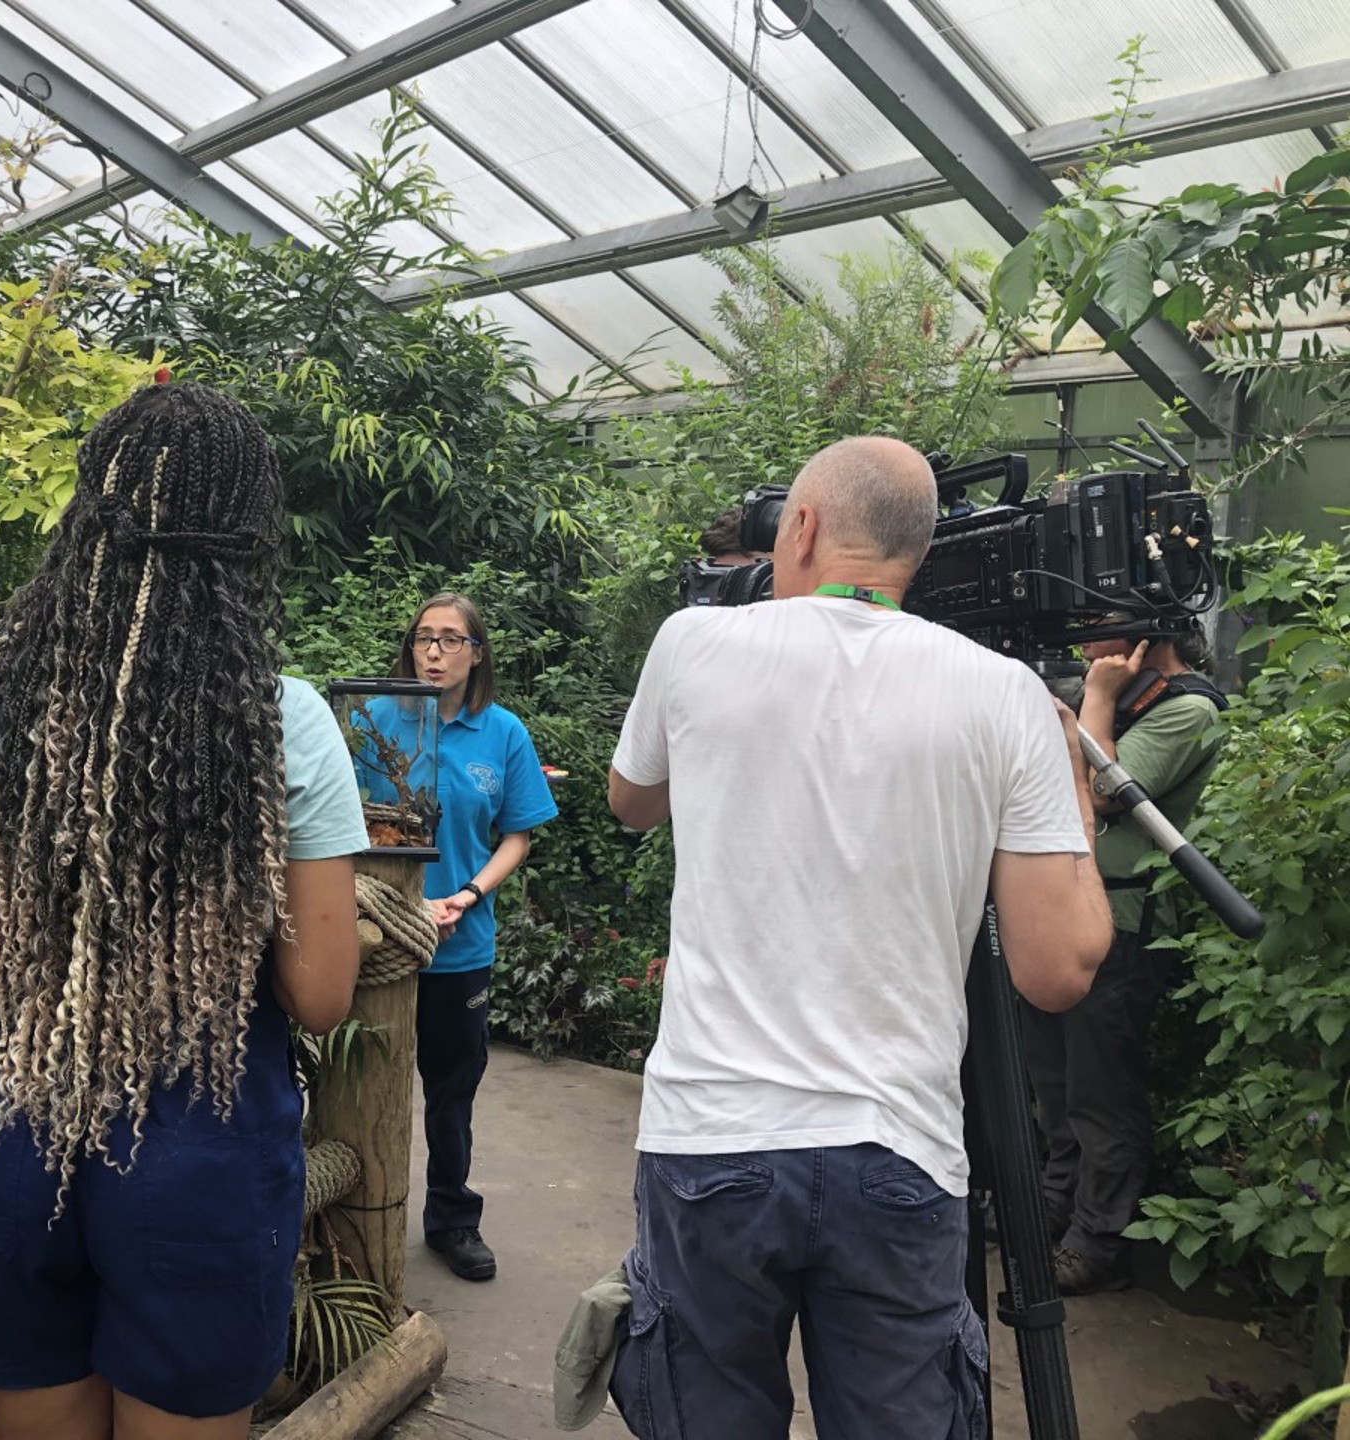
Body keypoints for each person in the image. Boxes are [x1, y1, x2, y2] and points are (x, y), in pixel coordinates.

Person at [605, 436, 1112, 1439]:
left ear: (799, 528)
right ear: (917, 557)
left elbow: (631, 801)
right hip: (900, 1153)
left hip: (711, 1141)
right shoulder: (1002, 693)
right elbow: (1059, 970)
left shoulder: (693, 645)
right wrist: (1075, 805)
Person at [0, 383, 368, 1440]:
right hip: (199, 1143)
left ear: (87, 514)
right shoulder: (279, 721)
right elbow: (323, 994)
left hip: (14, 1124)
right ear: (247, 536)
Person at [1024, 625, 1226, 1295]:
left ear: (1145, 636)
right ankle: (1056, 1202)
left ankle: (1098, 1235)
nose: (1081, 641)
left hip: (1124, 923)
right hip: (1062, 910)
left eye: (1096, 629)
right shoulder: (1104, 697)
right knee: (1053, 1077)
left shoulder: (1188, 709)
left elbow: (1104, 789)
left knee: (1099, 1087)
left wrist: (1100, 695)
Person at [367, 592, 558, 1282]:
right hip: (378, 940)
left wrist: (469, 894)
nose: (436, 652)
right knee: (359, 1082)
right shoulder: (374, 718)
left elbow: (517, 835)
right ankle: (353, 1215)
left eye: (452, 640)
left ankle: (452, 1220)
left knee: (451, 1093)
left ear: (477, 653)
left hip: (459, 945)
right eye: (425, 638)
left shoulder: (501, 732)